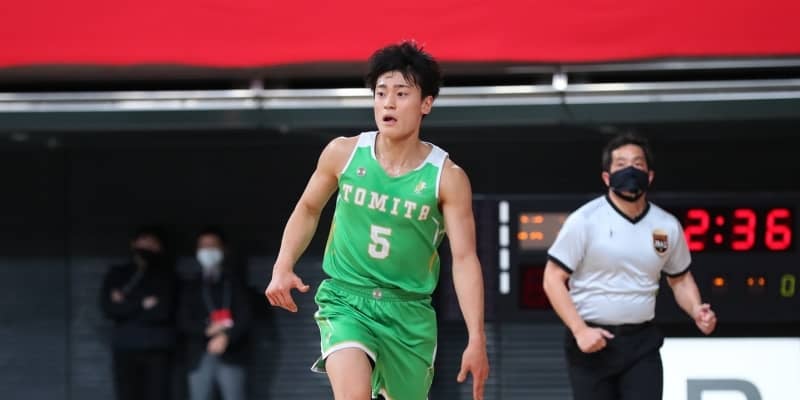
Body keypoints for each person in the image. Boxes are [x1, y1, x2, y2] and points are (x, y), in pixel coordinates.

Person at [264, 40, 489, 400]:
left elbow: (464, 258)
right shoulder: (343, 153)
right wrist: (282, 265)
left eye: (401, 93)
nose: (388, 102)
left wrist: (476, 337)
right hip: (346, 300)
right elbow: (308, 208)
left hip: (409, 313)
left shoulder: (447, 177)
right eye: (381, 93)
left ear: (426, 104)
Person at [542, 133, 718, 400]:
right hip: (592, 340)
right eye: (621, 164)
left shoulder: (666, 225)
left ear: (650, 176)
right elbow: (552, 278)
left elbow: (680, 278)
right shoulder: (584, 221)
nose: (630, 170)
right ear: (606, 177)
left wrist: (696, 310)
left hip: (641, 342)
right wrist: (580, 330)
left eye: (637, 164)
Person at [100, 226, 177, 400]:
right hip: (125, 347)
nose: (148, 247)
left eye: (153, 243)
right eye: (144, 242)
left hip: (156, 349)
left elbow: (163, 312)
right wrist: (142, 303)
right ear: (133, 244)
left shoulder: (167, 276)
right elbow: (108, 308)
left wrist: (126, 303)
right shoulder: (117, 274)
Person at [178, 226, 253, 400]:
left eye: (212, 246)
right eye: (203, 246)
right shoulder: (191, 285)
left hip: (232, 353)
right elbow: (182, 319)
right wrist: (206, 329)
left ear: (223, 249)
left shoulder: (234, 282)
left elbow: (245, 316)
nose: (208, 251)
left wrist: (227, 336)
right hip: (198, 354)